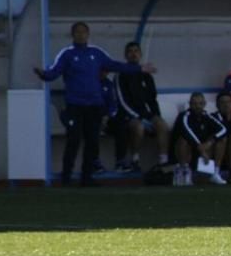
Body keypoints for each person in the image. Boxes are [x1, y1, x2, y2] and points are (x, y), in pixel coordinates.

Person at [33, 21, 156, 187]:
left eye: (84, 32)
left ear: (88, 34)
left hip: (94, 105)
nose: (81, 35)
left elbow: (114, 65)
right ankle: (66, 177)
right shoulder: (67, 54)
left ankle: (87, 177)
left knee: (92, 141)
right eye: (77, 32)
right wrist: (43, 75)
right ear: (72, 35)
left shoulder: (96, 52)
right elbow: (54, 72)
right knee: (74, 140)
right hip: (75, 105)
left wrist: (139, 69)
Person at [114, 41, 170, 173]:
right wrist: (138, 117)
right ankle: (135, 160)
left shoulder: (147, 75)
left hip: (146, 114)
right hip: (127, 115)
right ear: (125, 55)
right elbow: (122, 101)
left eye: (136, 51)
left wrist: (156, 116)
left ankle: (164, 161)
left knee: (162, 124)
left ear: (140, 54)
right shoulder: (121, 74)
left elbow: (152, 99)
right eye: (130, 51)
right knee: (138, 126)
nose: (133, 54)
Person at [171, 91, 227, 185]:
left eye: (200, 103)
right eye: (195, 104)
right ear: (190, 104)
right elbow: (187, 132)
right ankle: (184, 172)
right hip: (185, 151)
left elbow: (223, 129)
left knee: (221, 140)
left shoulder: (206, 116)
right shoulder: (184, 116)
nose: (198, 106)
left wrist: (209, 142)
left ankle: (215, 173)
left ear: (204, 104)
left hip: (201, 152)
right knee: (183, 141)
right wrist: (201, 149)